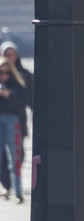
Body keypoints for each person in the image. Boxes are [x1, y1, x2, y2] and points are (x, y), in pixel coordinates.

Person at [1, 41, 32, 194]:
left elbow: (27, 99)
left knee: (17, 155)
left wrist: (9, 95)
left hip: (16, 120)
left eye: (11, 54)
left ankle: (16, 187)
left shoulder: (22, 76)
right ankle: (6, 185)